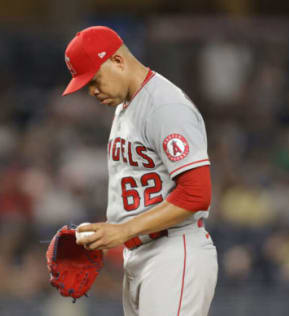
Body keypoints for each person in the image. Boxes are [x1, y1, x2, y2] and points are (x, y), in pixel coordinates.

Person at [62, 26, 218, 316]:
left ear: (117, 61)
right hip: (141, 254)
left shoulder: (164, 105)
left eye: (94, 80)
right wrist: (104, 233)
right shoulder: (127, 105)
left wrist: (122, 230)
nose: (92, 91)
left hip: (173, 251)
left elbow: (197, 194)